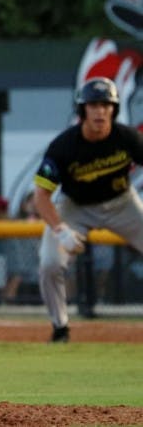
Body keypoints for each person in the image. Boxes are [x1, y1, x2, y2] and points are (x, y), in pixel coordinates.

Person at [32, 77, 143, 343]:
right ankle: (60, 328)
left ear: (114, 110)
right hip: (75, 207)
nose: (100, 111)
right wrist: (60, 230)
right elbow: (41, 196)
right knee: (49, 264)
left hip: (122, 203)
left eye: (106, 105)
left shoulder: (127, 137)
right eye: (93, 105)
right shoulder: (64, 146)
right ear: (82, 111)